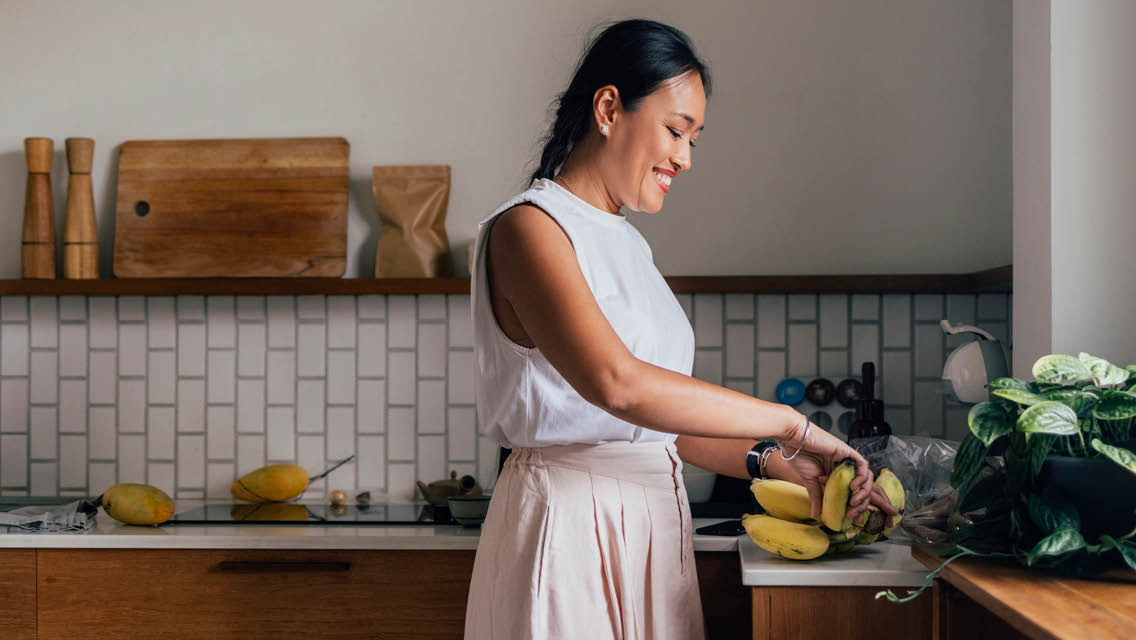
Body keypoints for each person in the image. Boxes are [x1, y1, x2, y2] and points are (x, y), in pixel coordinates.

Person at [464, 19, 896, 640]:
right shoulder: (530, 229)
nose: (685, 159)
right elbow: (619, 384)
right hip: (569, 526)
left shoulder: (630, 247)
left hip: (653, 528)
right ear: (609, 107)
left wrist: (781, 464)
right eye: (675, 131)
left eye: (695, 139)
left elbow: (660, 427)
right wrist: (792, 424)